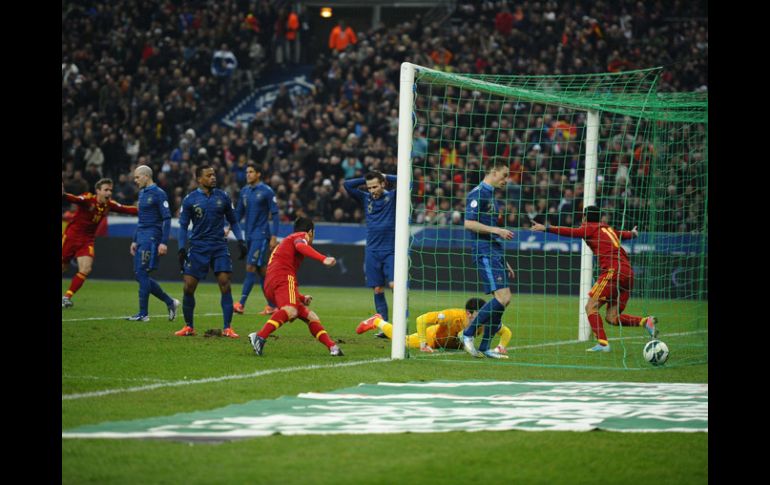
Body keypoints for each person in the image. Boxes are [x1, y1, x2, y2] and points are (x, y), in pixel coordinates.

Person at [531, 205, 658, 351]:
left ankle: (603, 343)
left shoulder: (589, 228)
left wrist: (546, 228)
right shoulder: (607, 228)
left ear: (585, 217)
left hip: (613, 271)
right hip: (627, 273)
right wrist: (633, 234)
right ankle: (645, 321)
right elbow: (621, 234)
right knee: (612, 317)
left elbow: (570, 232)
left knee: (590, 306)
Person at [248, 217, 343, 356]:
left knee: (311, 316)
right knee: (291, 311)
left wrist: (301, 297)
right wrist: (323, 258)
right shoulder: (300, 236)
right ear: (310, 232)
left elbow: (284, 287)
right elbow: (300, 246)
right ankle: (260, 336)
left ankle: (333, 347)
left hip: (271, 283)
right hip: (283, 278)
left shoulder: (286, 241)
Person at [175, 165, 247, 337]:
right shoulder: (190, 199)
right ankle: (189, 327)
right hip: (198, 247)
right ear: (199, 179)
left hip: (219, 247)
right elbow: (183, 226)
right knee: (188, 287)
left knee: (225, 284)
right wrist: (180, 248)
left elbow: (234, 221)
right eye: (209, 175)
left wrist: (241, 240)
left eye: (214, 174)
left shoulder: (223, 197)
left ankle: (227, 328)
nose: (213, 178)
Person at [461, 160, 515, 359]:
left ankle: (485, 346)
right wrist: (497, 230)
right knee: (502, 298)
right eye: (505, 175)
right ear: (493, 171)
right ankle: (467, 334)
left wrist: (504, 259)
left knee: (504, 299)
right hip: (483, 251)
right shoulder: (478, 194)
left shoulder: (491, 195)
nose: (506, 180)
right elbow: (468, 223)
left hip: (494, 252)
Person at [62, 179, 137, 308]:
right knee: (63, 267)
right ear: (98, 191)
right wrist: (64, 195)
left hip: (87, 240)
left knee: (86, 269)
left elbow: (126, 209)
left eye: (110, 190)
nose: (109, 193)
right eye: (106, 190)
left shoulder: (109, 205)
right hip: (71, 237)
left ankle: (66, 298)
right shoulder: (88, 199)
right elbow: (75, 199)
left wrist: (147, 211)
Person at [343, 171, 397, 338]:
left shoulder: (393, 197)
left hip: (391, 250)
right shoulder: (365, 198)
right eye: (369, 187)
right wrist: (366, 179)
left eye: (375, 186)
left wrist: (385, 176)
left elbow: (408, 182)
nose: (372, 190)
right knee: (377, 288)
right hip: (372, 250)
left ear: (383, 184)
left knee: (396, 286)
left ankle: (402, 324)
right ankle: (385, 327)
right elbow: (347, 185)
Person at [356, 298, 510, 356]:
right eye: (479, 313)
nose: (483, 316)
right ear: (469, 314)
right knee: (404, 341)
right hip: (432, 339)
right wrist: (423, 343)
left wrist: (501, 346)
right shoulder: (452, 315)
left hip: (450, 345)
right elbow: (421, 319)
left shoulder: (485, 321)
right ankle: (377, 321)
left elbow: (506, 332)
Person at [126, 165, 180, 322]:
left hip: (151, 239)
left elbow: (167, 218)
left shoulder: (159, 193)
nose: (135, 181)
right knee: (139, 275)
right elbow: (141, 220)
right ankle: (170, 302)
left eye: (137, 177)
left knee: (141, 273)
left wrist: (163, 242)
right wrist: (135, 240)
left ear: (146, 176)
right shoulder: (142, 193)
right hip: (141, 238)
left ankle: (143, 314)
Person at [232, 163, 280, 316]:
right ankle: (273, 304)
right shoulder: (245, 191)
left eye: (251, 172)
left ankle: (241, 304)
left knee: (250, 267)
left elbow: (276, 214)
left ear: (258, 174)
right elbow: (239, 213)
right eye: (247, 172)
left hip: (261, 234)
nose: (248, 174)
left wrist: (274, 236)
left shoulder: (267, 191)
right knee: (261, 271)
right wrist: (229, 226)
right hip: (249, 235)